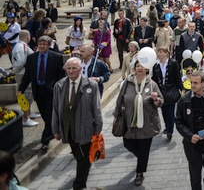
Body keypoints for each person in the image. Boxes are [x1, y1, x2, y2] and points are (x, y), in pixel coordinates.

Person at [51, 57, 102, 190]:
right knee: (78, 154)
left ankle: (79, 185)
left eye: (74, 68)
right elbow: (56, 109)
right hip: (68, 128)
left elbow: (96, 108)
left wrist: (98, 126)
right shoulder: (59, 85)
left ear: (80, 69)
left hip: (85, 128)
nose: (71, 71)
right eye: (69, 68)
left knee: (82, 158)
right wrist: (55, 129)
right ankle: (85, 167)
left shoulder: (91, 85)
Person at [113, 61, 164, 186]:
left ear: (147, 69)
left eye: (142, 66)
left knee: (144, 148)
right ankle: (142, 158)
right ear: (134, 68)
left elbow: (161, 101)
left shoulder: (152, 84)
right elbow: (120, 99)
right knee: (128, 144)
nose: (140, 68)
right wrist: (116, 115)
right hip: (129, 121)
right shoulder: (127, 83)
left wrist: (155, 99)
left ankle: (139, 173)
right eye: (137, 66)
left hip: (147, 123)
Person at [18, 35, 66, 151]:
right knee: (45, 115)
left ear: (49, 46)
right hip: (38, 91)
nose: (42, 46)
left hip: (51, 91)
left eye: (45, 44)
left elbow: (61, 75)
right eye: (40, 44)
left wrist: (58, 88)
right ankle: (54, 129)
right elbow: (27, 76)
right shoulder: (31, 58)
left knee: (49, 115)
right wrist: (21, 90)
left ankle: (45, 141)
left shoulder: (57, 57)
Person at [152, 47, 183, 141]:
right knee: (164, 111)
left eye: (161, 52)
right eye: (158, 52)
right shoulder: (156, 65)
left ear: (166, 53)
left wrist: (181, 89)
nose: (159, 54)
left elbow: (177, 77)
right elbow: (154, 79)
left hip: (171, 89)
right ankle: (167, 126)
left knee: (170, 111)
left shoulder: (173, 63)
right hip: (161, 90)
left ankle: (170, 130)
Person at [12, 30, 40, 127]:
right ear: (28, 37)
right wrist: (17, 70)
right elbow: (21, 61)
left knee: (29, 94)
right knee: (26, 95)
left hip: (24, 73)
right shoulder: (22, 47)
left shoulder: (21, 46)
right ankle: (26, 118)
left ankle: (29, 113)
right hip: (23, 74)